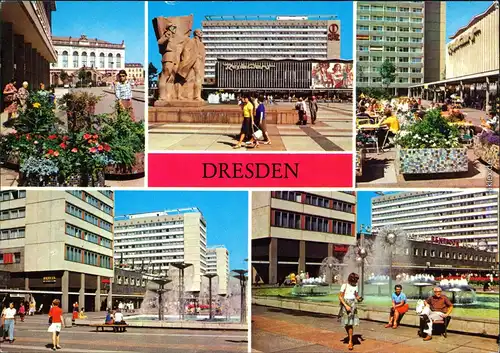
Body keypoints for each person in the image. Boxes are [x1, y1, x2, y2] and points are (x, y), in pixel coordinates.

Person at [338, 273, 363, 351]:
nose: (356, 283)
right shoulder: (344, 286)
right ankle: (350, 336)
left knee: (350, 324)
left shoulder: (356, 286)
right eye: (355, 281)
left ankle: (350, 341)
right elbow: (340, 297)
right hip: (346, 305)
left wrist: (359, 298)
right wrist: (346, 306)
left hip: (352, 306)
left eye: (356, 281)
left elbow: (356, 295)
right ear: (350, 280)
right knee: (346, 324)